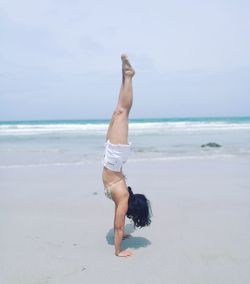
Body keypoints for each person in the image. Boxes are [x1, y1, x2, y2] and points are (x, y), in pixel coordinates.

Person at [102, 54, 151, 257]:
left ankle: (125, 74)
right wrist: (118, 251)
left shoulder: (122, 198)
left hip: (112, 158)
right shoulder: (122, 198)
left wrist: (120, 244)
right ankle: (128, 76)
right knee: (123, 111)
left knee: (118, 112)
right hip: (114, 158)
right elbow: (119, 226)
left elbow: (118, 223)